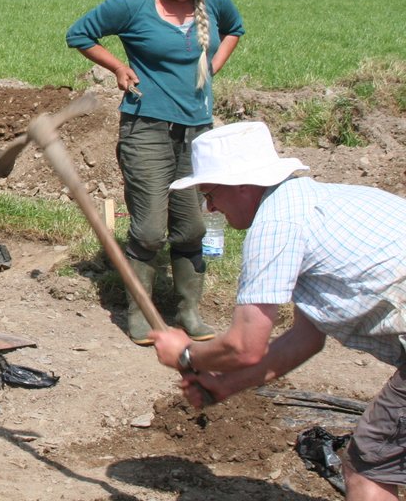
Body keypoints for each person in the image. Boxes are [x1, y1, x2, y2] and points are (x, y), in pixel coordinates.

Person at [151, 121, 406, 501]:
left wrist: (187, 354)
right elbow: (305, 339)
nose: (209, 206)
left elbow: (244, 346)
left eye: (210, 193)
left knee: (369, 469)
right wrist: (226, 385)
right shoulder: (328, 202)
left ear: (240, 184)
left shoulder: (276, 224)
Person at [67, 0, 244, 345]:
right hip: (146, 127)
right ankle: (141, 314)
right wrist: (117, 67)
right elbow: (80, 33)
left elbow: (235, 28)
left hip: (197, 131)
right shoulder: (133, 2)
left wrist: (212, 67)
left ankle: (189, 311)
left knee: (192, 228)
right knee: (148, 230)